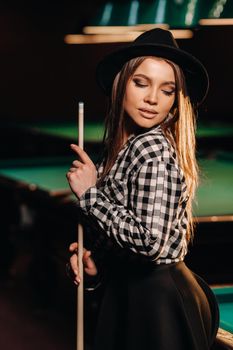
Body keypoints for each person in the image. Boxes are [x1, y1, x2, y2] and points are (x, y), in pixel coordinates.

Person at [66, 28, 219, 350]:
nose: (153, 99)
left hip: (156, 301)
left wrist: (90, 195)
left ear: (176, 102)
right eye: (141, 83)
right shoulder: (124, 147)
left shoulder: (151, 148)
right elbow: (127, 236)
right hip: (139, 295)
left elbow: (150, 242)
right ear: (121, 87)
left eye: (167, 90)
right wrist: (98, 267)